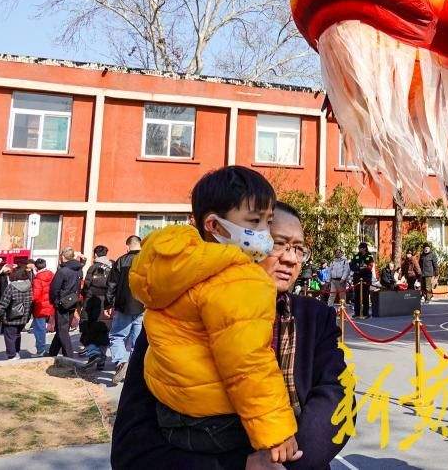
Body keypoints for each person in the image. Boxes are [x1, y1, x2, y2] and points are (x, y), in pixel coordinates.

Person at [112, 200, 350, 469]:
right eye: (279, 243)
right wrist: (243, 465)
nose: (291, 258)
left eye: (298, 248)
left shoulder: (315, 317)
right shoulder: (177, 318)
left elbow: (337, 398)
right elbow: (131, 444)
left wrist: (282, 464)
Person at [129, 166, 299, 465]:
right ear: (215, 226)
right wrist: (277, 431)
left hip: (169, 412)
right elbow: (248, 364)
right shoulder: (239, 278)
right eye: (254, 222)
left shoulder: (175, 268)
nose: (264, 234)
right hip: (215, 423)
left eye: (267, 222)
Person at [106, 234, 145, 385]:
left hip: (123, 305)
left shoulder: (121, 260)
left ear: (127, 246)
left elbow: (111, 284)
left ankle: (122, 361)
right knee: (138, 340)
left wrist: (108, 304)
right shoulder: (147, 260)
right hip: (142, 305)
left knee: (117, 336)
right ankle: (136, 370)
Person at [80, 245, 113, 370]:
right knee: (103, 332)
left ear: (95, 255)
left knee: (88, 330)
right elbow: (113, 286)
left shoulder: (93, 267)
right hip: (106, 304)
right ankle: (101, 362)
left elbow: (87, 285)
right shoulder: (111, 267)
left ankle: (93, 355)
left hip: (92, 303)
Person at [46, 248, 83, 358]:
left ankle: (69, 357)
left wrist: (54, 301)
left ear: (62, 257)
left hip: (62, 303)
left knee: (62, 331)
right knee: (62, 329)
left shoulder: (63, 271)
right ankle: (52, 354)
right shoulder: (78, 269)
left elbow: (54, 288)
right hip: (73, 301)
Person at [0, 266, 33, 359]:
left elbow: (4, 302)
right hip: (24, 315)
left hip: (11, 316)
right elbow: (31, 300)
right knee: (17, 334)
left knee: (9, 336)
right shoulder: (29, 285)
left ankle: (12, 355)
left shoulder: (12, 286)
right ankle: (16, 352)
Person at [30, 258, 54, 356]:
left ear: (36, 267)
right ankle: (42, 349)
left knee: (39, 329)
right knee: (42, 328)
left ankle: (41, 350)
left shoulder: (37, 278)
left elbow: (36, 295)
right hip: (49, 304)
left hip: (40, 306)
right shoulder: (52, 275)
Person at [349, 242, 374, 318]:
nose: (359, 249)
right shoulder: (356, 256)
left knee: (365, 296)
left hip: (366, 278)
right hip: (357, 278)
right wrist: (360, 268)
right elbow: (352, 266)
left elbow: (369, 267)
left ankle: (366, 313)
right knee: (357, 296)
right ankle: (357, 313)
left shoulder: (369, 256)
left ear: (364, 248)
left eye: (360, 248)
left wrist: (363, 268)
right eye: (359, 248)